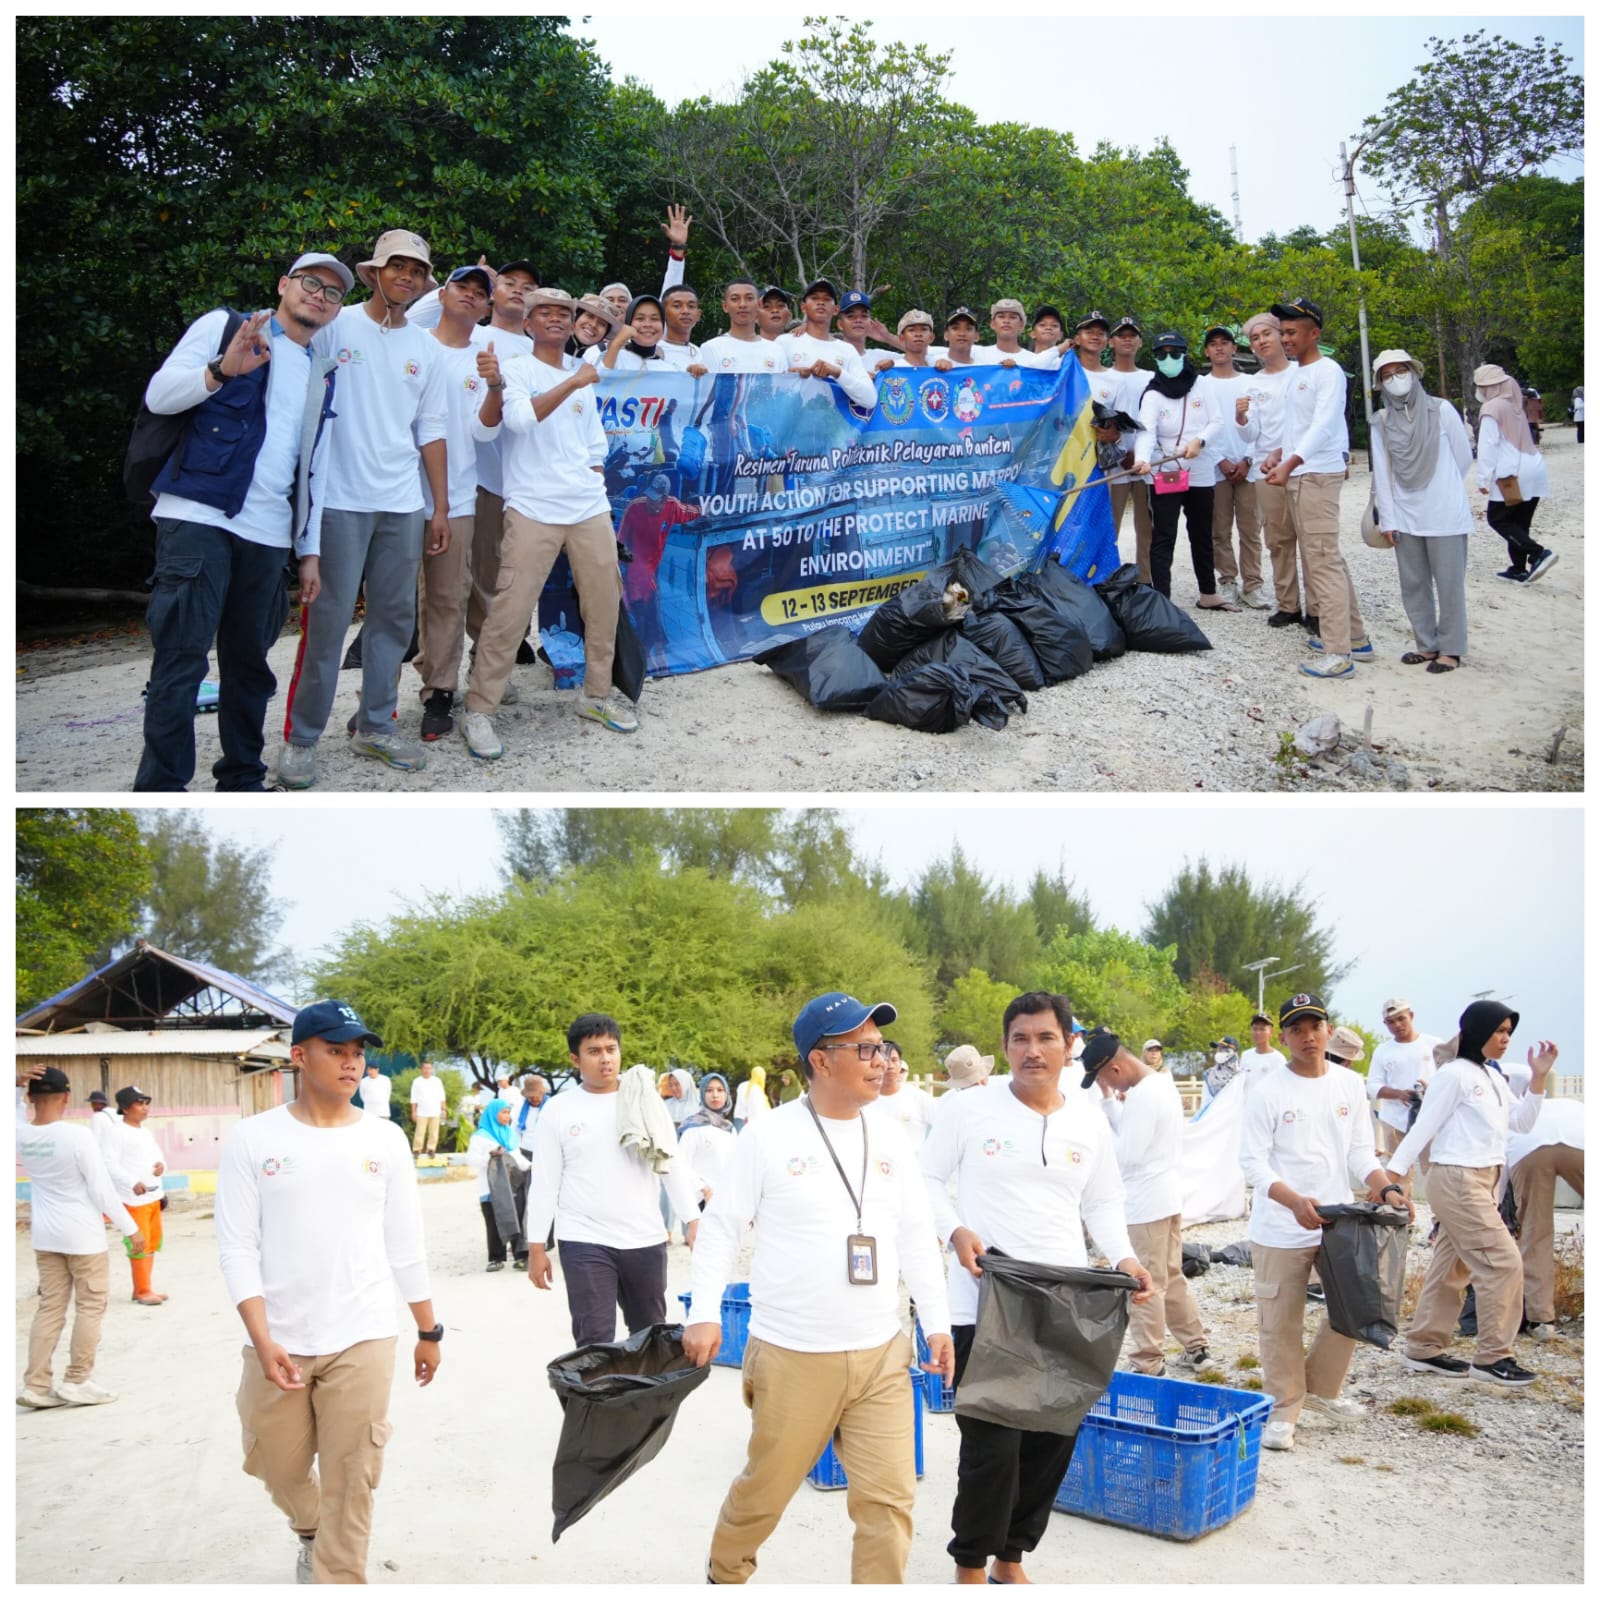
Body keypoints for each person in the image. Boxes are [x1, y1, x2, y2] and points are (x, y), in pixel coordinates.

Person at [686, 991, 955, 1586]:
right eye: (864, 1048)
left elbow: (916, 1236)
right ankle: (725, 1573)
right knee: (765, 1493)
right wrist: (703, 1312)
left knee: (889, 1502)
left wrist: (936, 1322)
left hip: (882, 1352)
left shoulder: (891, 1140)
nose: (880, 1058)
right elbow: (722, 1228)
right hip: (792, 1352)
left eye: (881, 1046)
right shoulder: (768, 1136)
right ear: (821, 1060)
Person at [919, 996, 1151, 1585]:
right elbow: (925, 1179)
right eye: (1020, 1038)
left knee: (1051, 1437)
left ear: (1069, 1045)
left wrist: (1124, 1256)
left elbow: (1102, 1201)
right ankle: (970, 1564)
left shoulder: (1087, 1118)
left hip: (1068, 1302)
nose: (1033, 1050)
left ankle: (1011, 1556)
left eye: (1046, 1038)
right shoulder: (968, 1110)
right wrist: (955, 1230)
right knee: (992, 1446)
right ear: (1004, 1047)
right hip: (987, 1297)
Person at [215, 1000, 440, 1585]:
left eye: (357, 1052)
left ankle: (337, 1578)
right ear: (299, 1056)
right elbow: (237, 1247)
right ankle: (309, 1528)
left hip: (363, 1333)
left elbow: (405, 1243)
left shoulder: (385, 1140)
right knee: (274, 1462)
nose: (351, 1063)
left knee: (354, 1473)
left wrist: (427, 1329)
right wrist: (262, 1340)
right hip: (279, 1337)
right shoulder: (253, 1139)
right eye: (336, 1050)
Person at [134, 252, 346, 791]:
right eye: (309, 283)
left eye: (332, 292)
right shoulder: (225, 327)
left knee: (250, 666)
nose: (319, 295)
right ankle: (162, 788)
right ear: (283, 285)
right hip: (199, 515)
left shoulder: (321, 372)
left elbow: (313, 470)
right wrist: (219, 371)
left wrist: (309, 551)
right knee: (181, 662)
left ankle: (242, 779)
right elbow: (159, 396)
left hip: (270, 533)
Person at [277, 229, 451, 785]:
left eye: (417, 271)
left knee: (394, 622)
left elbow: (432, 430)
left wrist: (439, 508)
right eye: (397, 267)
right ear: (376, 272)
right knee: (326, 624)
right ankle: (302, 739)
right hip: (339, 501)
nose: (407, 277)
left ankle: (375, 727)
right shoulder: (337, 325)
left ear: (424, 282)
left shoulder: (426, 348)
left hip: (402, 503)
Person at [464, 288, 634, 758]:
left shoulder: (581, 376)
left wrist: (593, 472)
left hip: (586, 506)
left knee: (604, 604)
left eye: (565, 313)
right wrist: (574, 383)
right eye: (546, 313)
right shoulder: (516, 370)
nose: (557, 319)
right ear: (529, 324)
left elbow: (594, 440)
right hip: (532, 506)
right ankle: (480, 710)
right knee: (510, 612)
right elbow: (518, 421)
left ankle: (596, 697)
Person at [1238, 992, 1396, 1452]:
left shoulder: (1349, 1085)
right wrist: (1290, 1200)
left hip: (1339, 1221)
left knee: (1353, 1308)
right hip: (1280, 1225)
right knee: (1280, 1322)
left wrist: (1384, 1185)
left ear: (1329, 1030)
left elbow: (1360, 1151)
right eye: (1297, 1029)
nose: (1308, 1037)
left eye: (1316, 1027)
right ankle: (1285, 1407)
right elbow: (1252, 1162)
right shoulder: (1268, 1091)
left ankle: (1321, 1390)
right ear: (1284, 1037)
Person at [1378, 1001, 1555, 1389]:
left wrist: (1539, 1078)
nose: (1505, 1038)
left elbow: (1522, 1122)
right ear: (1476, 1031)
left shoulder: (1491, 1076)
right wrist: (1388, 1180)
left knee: (1451, 1268)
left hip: (1484, 1180)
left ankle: (1423, 1347)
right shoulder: (1454, 1074)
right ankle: (1493, 1356)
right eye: (1499, 1031)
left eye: (1509, 1031)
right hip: (1456, 1179)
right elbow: (1423, 1128)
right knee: (1504, 1262)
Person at [524, 1014, 701, 1346]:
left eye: (611, 1048)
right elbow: (544, 1182)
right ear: (575, 1059)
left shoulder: (645, 1102)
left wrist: (692, 1218)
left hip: (644, 1236)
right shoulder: (559, 1110)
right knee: (594, 1339)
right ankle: (595, 1400)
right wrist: (536, 1246)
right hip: (584, 1238)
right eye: (594, 1051)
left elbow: (671, 1163)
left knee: (650, 1335)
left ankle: (644, 1400)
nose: (605, 1058)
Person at [406, 256, 541, 665]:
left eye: (527, 286)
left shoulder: (542, 348)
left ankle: (483, 664)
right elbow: (418, 314)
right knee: (441, 587)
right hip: (462, 480)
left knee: (489, 582)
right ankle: (427, 671)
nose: (517, 289)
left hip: (509, 482)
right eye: (508, 282)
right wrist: (471, 276)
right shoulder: (470, 335)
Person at [403, 265, 497, 741]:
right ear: (442, 293)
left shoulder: (485, 358)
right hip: (395, 493)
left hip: (457, 495)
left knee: (447, 597)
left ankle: (439, 691)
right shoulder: (412, 343)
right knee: (390, 602)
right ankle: (377, 699)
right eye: (462, 287)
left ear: (486, 310)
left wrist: (496, 387)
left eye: (480, 293)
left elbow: (485, 430)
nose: (469, 296)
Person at [15, 1065, 144, 1408]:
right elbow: (101, 1190)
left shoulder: (21, 1134)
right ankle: (77, 1379)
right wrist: (131, 1229)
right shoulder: (76, 1136)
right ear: (67, 1098)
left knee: (50, 1308)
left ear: (30, 1097)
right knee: (90, 1306)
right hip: (83, 1237)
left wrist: (14, 1085)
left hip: (45, 1237)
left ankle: (36, 1385)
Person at [1081, 1030, 1204, 1380]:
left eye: (1103, 1078)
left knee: (1144, 1284)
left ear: (1116, 1069)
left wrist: (1097, 1147)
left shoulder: (1141, 1098)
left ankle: (1147, 1361)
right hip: (1165, 1198)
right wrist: (1108, 1102)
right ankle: (1196, 1346)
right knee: (1171, 1277)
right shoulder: (1159, 1085)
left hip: (1144, 1205)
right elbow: (1134, 1134)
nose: (1105, 1084)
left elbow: (1128, 1154)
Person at [1263, 298, 1368, 679]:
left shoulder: (1329, 371)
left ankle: (1338, 652)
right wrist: (1278, 453)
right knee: (1326, 557)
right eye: (1283, 332)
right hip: (1299, 474)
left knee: (1321, 562)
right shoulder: (1295, 374)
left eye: (1292, 332)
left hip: (1316, 475)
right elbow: (1297, 426)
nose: (1285, 339)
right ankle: (1356, 637)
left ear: (1314, 333)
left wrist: (1291, 463)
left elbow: (1324, 425)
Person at [1368, 349, 1476, 673]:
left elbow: (1463, 457)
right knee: (1413, 583)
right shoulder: (1382, 421)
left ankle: (1452, 648)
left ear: (1414, 373)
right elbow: (1382, 473)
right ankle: (1426, 645)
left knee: (1449, 583)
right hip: (1405, 513)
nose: (1395, 380)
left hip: (1445, 512)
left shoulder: (1441, 410)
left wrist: (1439, 486)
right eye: (1387, 375)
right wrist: (1388, 517)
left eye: (1400, 371)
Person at [1131, 331, 1235, 609]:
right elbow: (1146, 431)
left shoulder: (1201, 385)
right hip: (1164, 468)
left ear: (1185, 354)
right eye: (1162, 354)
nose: (1169, 359)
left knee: (1201, 532)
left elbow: (1217, 421)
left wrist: (1199, 441)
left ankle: (1208, 593)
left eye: (1175, 353)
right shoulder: (1153, 393)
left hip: (1199, 468)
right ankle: (1162, 597)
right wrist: (1142, 459)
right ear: (1155, 357)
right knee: (1163, 535)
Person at [1237, 312, 1309, 630]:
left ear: (1282, 336)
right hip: (1266, 471)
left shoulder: (1302, 373)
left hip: (1304, 466)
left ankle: (1319, 607)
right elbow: (1252, 435)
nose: (1262, 341)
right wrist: (1241, 420)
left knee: (1310, 540)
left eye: (1267, 334)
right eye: (1255, 338)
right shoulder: (1254, 384)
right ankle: (1288, 603)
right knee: (1278, 540)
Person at [1195, 324, 1269, 609]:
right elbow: (1199, 427)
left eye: (1225, 343)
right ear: (1206, 351)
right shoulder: (1201, 385)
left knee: (1251, 529)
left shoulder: (1251, 382)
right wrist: (1220, 461)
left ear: (1234, 348)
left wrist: (1248, 458)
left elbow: (1258, 424)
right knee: (1219, 529)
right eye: (1213, 343)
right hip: (1215, 468)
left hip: (1249, 467)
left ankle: (1253, 584)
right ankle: (1227, 580)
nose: (1219, 348)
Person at [1506, 1095, 1584, 1340]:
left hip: (1527, 1149)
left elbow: (1501, 1172)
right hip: (1581, 1142)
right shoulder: (1578, 1108)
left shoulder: (1518, 1116)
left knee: (1534, 1231)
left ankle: (1541, 1322)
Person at [1474, 362, 1557, 584]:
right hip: (1534, 466)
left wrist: (1482, 477)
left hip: (1512, 472)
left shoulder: (1491, 408)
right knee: (1519, 521)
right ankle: (1519, 568)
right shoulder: (1515, 404)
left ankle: (1538, 553)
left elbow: (1488, 446)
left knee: (1497, 518)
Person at [618, 475, 702, 671]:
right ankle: (647, 656)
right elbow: (620, 540)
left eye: (657, 498)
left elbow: (689, 513)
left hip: (651, 570)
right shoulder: (635, 507)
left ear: (665, 498)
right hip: (633, 570)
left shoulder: (672, 506)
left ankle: (655, 654)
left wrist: (705, 508)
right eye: (651, 497)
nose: (652, 502)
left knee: (652, 612)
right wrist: (619, 575)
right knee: (642, 614)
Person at [1366, 998, 1441, 1200]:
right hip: (1395, 1120)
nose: (1397, 1025)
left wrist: (1429, 1093)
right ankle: (1402, 1218)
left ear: (1411, 1016)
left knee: (1434, 1171)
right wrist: (1399, 1094)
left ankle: (1440, 1220)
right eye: (1391, 1022)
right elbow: (1372, 1085)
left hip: (1430, 1119)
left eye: (1401, 1019)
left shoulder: (1433, 1045)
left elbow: (1449, 1078)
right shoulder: (1383, 1050)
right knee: (1398, 1173)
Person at [107, 1086, 166, 1306]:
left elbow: (158, 1156)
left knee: (152, 1242)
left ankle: (145, 1287)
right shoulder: (116, 1132)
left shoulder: (145, 1131)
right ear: (125, 1107)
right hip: (133, 1198)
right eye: (139, 1103)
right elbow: (108, 1163)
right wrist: (131, 1182)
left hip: (152, 1195)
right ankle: (142, 1290)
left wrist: (162, 1166)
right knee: (139, 1243)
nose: (145, 1108)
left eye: (146, 1103)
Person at [1105, 317, 1155, 581]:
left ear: (1140, 342)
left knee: (1147, 527)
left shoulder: (1152, 378)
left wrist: (1142, 452)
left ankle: (1145, 578)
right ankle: (1108, 577)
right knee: (1109, 525)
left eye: (1132, 335)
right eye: (1121, 335)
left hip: (1146, 462)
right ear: (1111, 342)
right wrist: (1120, 448)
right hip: (1115, 463)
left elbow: (1160, 418)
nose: (1127, 339)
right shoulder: (1105, 376)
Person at [782, 280, 880, 409]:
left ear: (836, 309)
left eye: (827, 299)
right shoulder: (784, 342)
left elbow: (870, 400)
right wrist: (790, 375)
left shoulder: (847, 350)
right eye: (814, 298)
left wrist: (837, 372)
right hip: (791, 427)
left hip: (833, 427)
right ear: (803, 307)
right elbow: (766, 389)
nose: (821, 302)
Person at [467, 1097, 530, 1271]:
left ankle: (522, 1257)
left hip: (512, 1187)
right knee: (494, 1223)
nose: (507, 1116)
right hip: (490, 1189)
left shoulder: (511, 1135)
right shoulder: (480, 1137)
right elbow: (471, 1159)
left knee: (517, 1218)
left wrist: (531, 1167)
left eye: (508, 1113)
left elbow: (517, 1158)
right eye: (503, 1112)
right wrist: (490, 1156)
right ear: (493, 1114)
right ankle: (496, 1258)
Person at [675, 1072, 736, 1217]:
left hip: (726, 1202)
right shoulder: (693, 1127)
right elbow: (680, 1164)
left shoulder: (729, 1128)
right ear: (702, 1094)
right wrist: (704, 1189)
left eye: (720, 1090)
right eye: (709, 1090)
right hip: (702, 1203)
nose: (715, 1095)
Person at [700, 280, 789, 373]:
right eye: (735, 299)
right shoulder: (711, 348)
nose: (742, 304)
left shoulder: (776, 350)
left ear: (759, 305)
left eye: (749, 298)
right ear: (725, 306)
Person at [869, 1042, 936, 1144]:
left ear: (900, 1063)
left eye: (894, 1060)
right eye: (885, 1060)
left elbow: (943, 1127)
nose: (890, 1066)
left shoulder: (919, 1097)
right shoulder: (865, 1101)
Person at [660, 284, 706, 373]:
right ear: (663, 313)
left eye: (691, 306)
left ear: (698, 314)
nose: (685, 311)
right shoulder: (654, 350)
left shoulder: (702, 353)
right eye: (677, 306)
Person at [1240, 1014, 1287, 1098]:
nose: (1258, 1033)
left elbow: (1281, 1088)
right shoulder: (1246, 1055)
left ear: (1271, 1032)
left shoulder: (1278, 1059)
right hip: (1245, 1107)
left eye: (1262, 1029)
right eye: (1255, 1029)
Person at [409, 1061, 447, 1158]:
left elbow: (442, 1096)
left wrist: (443, 1109)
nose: (427, 1070)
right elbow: (413, 1098)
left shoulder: (437, 1081)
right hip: (421, 1112)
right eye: (425, 1068)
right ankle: (417, 1150)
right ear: (421, 1069)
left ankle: (431, 1149)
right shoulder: (416, 1081)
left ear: (431, 1070)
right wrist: (413, 1111)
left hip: (435, 1111)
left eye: (429, 1068)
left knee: (434, 1133)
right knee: (420, 1132)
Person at [733, 1066, 770, 1130]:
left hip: (739, 1116)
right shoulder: (757, 1089)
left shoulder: (742, 1085)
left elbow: (741, 1101)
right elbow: (757, 1108)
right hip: (750, 1120)